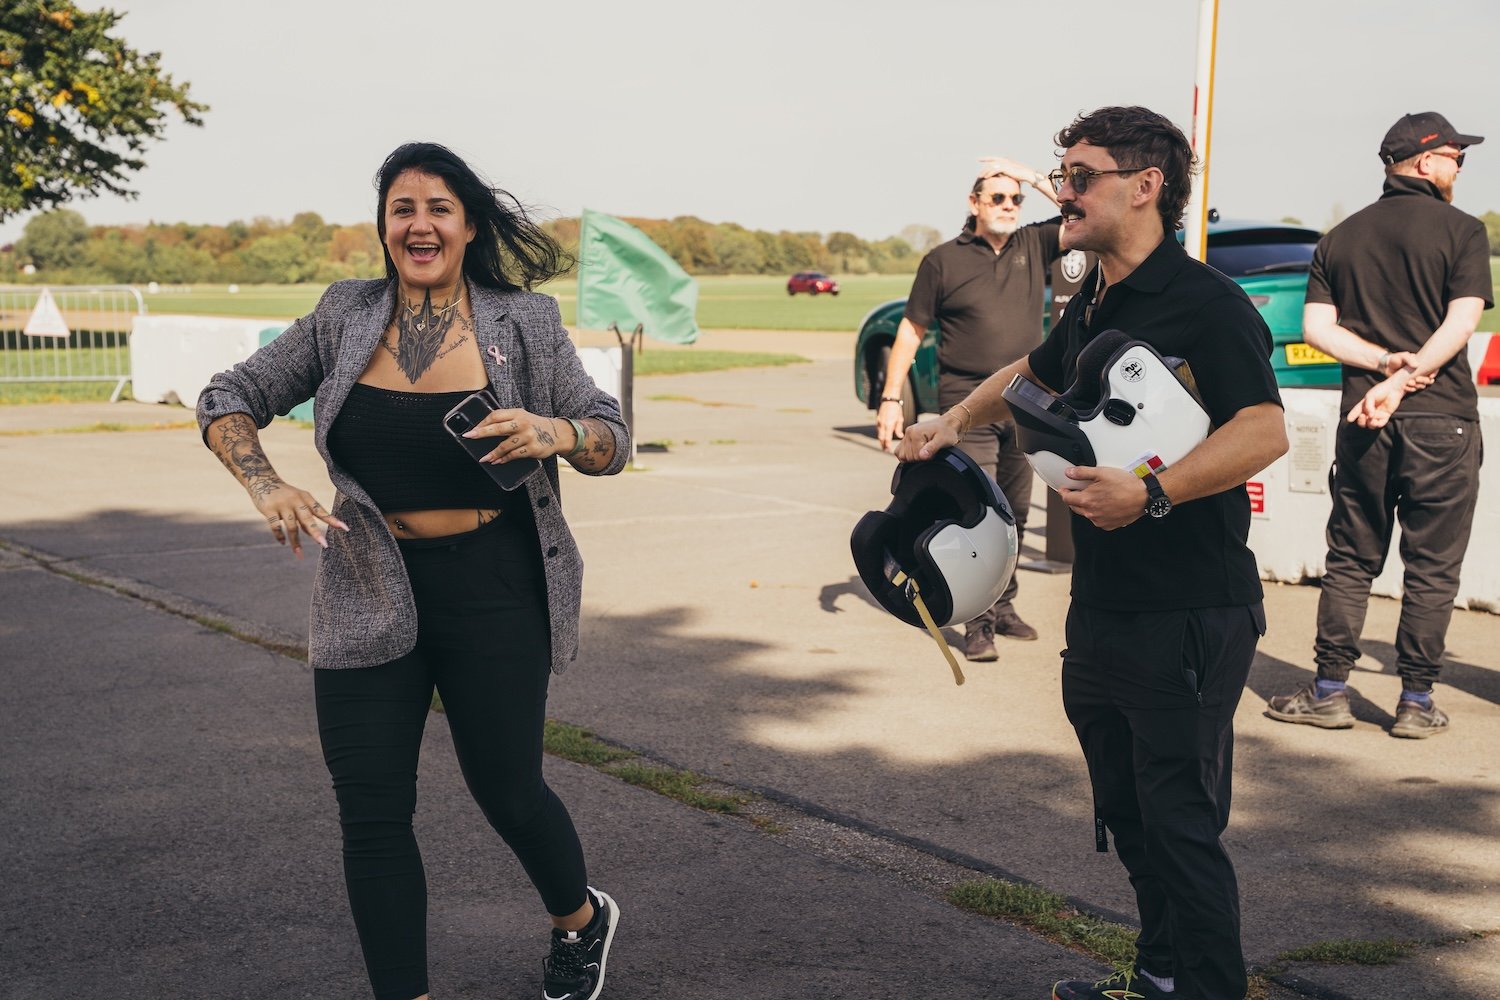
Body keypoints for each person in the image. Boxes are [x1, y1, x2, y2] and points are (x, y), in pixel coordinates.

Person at [196, 142, 628, 1000]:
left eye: (438, 208)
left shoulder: (524, 321)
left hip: (496, 584)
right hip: (365, 581)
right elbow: (227, 395)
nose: (419, 224)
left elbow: (609, 436)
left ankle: (580, 920)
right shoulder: (342, 315)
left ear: (468, 225)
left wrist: (559, 433)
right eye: (402, 208)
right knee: (372, 812)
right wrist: (263, 479)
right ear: (384, 225)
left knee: (507, 791)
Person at [897, 106, 1288, 1000]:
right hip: (1108, 608)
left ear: (1145, 186)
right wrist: (950, 420)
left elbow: (1264, 430)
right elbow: (1030, 376)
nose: (1058, 191)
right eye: (1059, 174)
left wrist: (1154, 490)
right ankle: (1157, 977)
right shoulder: (1097, 299)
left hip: (1190, 606)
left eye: (1079, 176)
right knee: (1131, 816)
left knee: (1182, 824)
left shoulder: (1204, 302)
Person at [1265, 112, 1491, 740]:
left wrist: (1382, 371)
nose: (1459, 169)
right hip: (1441, 422)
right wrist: (1409, 373)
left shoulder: (1340, 238)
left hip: (1365, 420)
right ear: (1424, 162)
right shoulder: (1464, 232)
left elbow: (1318, 330)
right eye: (1456, 158)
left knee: (1351, 558)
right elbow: (1461, 323)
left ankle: (1330, 691)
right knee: (1433, 567)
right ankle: (1416, 701)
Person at [875, 157, 1062, 660]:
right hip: (963, 410)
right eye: (997, 197)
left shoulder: (1034, 243)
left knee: (1016, 514)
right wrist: (892, 398)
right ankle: (976, 621)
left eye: (1014, 199)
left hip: (1024, 406)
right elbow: (911, 330)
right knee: (976, 514)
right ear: (974, 202)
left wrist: (1029, 176)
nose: (1008, 206)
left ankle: (1003, 605)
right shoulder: (942, 260)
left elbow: (1075, 212)